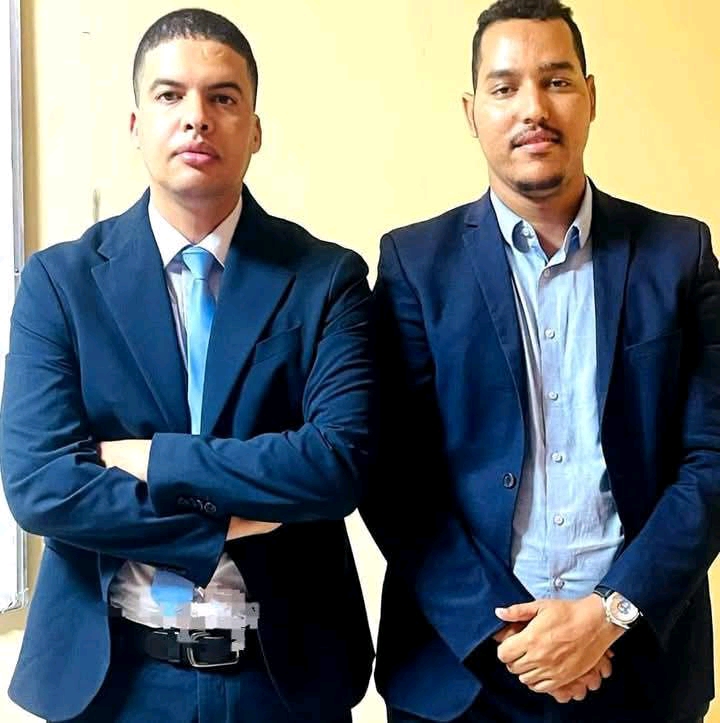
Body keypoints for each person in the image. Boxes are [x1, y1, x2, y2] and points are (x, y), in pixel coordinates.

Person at [0, 8, 373, 722]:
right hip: (114, 680)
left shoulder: (326, 280)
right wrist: (223, 522)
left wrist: (151, 459)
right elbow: (42, 487)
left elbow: (335, 466)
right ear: (136, 125)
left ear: (254, 129)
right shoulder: (60, 284)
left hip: (281, 679)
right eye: (170, 95)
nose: (196, 117)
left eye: (222, 97)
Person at [362, 1, 720, 721]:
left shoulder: (678, 254)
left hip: (638, 664)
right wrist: (509, 635)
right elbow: (393, 476)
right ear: (472, 113)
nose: (533, 108)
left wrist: (610, 611)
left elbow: (712, 458)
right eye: (505, 87)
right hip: (465, 671)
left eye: (556, 81)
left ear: (591, 96)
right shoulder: (414, 264)